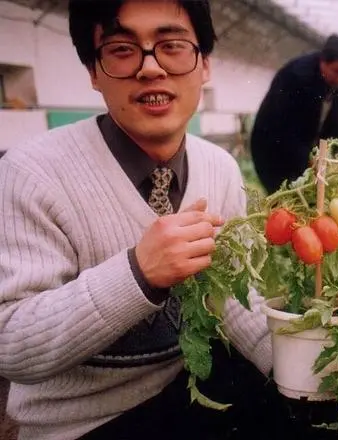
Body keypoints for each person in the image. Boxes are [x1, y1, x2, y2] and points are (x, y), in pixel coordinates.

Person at [0, 1, 274, 439]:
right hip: (81, 426)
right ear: (93, 71)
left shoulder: (219, 168)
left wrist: (294, 364)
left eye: (172, 45)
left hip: (183, 396)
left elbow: (232, 298)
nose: (151, 69)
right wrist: (138, 273)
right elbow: (11, 345)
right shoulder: (33, 173)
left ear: (205, 64)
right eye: (122, 49)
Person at [250, 34, 338, 194]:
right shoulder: (298, 76)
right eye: (337, 72)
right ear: (323, 62)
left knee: (311, 197)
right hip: (271, 148)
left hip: (299, 142)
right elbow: (286, 130)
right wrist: (312, 162)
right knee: (285, 199)